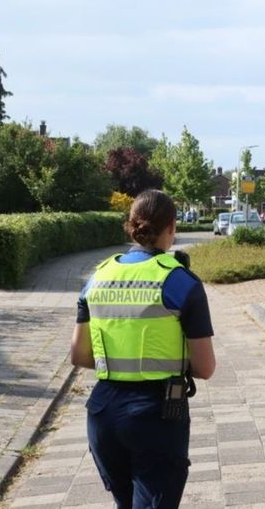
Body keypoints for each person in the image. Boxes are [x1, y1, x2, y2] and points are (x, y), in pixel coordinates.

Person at [70, 189, 216, 508]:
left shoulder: (97, 277)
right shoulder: (180, 282)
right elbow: (205, 367)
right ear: (172, 227)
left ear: (132, 225)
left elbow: (79, 355)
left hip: (103, 413)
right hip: (157, 414)